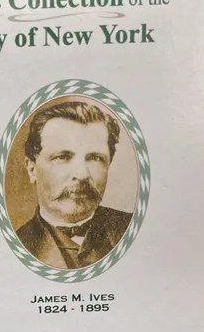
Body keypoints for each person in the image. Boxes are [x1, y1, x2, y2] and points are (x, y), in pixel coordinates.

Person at [15, 100, 132, 269]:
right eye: (62, 157)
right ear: (32, 169)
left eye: (95, 158)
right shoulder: (17, 245)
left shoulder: (134, 229)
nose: (82, 174)